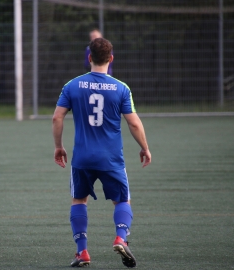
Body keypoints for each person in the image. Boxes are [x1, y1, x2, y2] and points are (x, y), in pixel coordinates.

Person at [52, 37, 151, 268]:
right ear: (111, 59)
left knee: (79, 200)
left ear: (89, 58)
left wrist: (59, 146)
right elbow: (134, 123)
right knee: (122, 200)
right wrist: (144, 148)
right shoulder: (121, 88)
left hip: (83, 158)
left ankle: (82, 252)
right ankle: (120, 238)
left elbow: (57, 117)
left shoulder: (72, 85)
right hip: (111, 158)